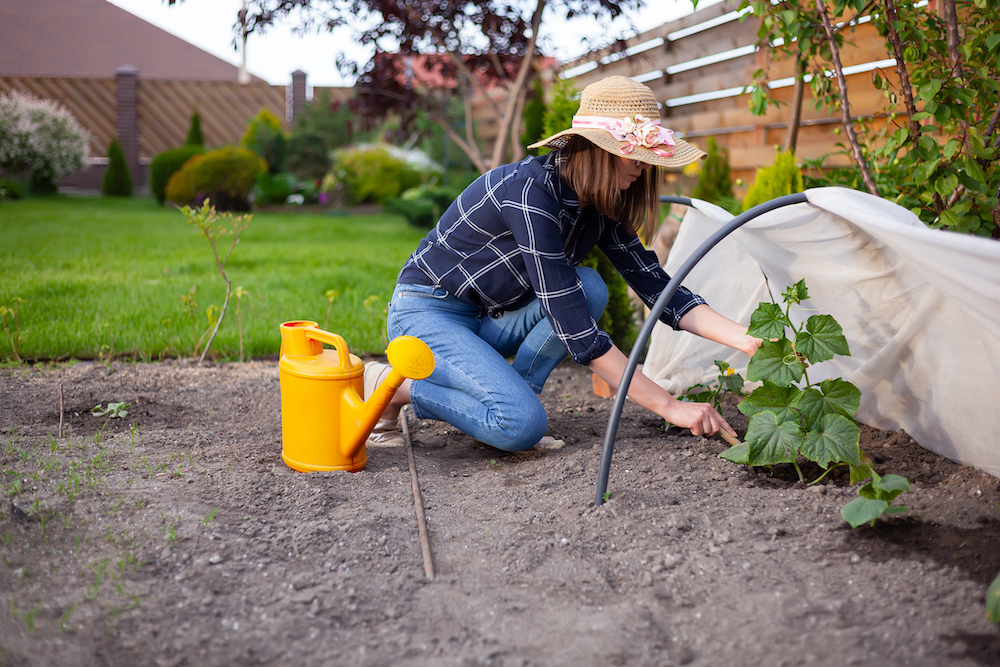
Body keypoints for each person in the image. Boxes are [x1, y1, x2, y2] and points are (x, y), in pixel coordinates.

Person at [364, 75, 760, 451]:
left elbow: (658, 289)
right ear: (600, 150)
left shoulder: (599, 205)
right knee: (521, 424)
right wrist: (671, 407)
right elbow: (574, 327)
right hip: (427, 312)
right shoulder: (528, 194)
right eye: (635, 155)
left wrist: (747, 341)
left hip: (488, 315)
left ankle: (508, 401)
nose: (644, 167)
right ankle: (394, 386)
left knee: (590, 288)